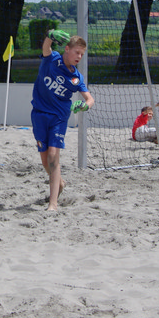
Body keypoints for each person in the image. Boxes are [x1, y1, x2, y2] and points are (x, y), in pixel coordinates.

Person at [31, 29, 94, 210]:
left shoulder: (76, 78)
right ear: (67, 49)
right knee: (45, 160)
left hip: (58, 117)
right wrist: (50, 35)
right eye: (77, 52)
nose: (79, 57)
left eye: (82, 54)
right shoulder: (52, 59)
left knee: (53, 156)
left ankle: (53, 204)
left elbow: (90, 99)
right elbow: (46, 47)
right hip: (39, 114)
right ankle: (60, 182)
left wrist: (84, 105)